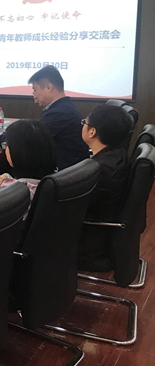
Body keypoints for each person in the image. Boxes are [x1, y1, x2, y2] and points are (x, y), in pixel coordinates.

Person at [0, 66, 89, 171]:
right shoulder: (65, 108)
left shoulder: (59, 113)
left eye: (35, 89)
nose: (33, 94)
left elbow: (29, 140)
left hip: (60, 175)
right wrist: (1, 136)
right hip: (70, 172)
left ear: (48, 87)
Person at [78, 105, 133, 271]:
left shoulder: (100, 171)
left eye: (84, 122)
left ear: (92, 132)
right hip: (99, 235)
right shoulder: (118, 155)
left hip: (86, 244)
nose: (83, 125)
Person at [0, 120, 57, 201]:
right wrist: (6, 179)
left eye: (7, 145)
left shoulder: (13, 194)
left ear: (19, 153)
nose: (6, 149)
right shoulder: (53, 183)